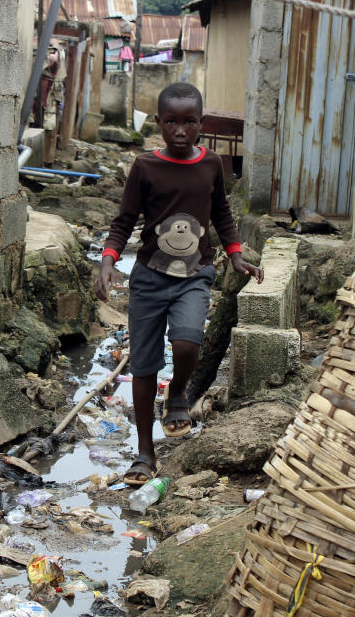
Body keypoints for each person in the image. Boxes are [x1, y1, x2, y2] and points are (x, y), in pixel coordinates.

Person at [95, 82, 264, 485]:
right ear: (159, 123)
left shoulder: (211, 166)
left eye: (189, 122)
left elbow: (221, 212)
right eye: (171, 122)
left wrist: (237, 255)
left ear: (201, 124)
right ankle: (144, 452)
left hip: (195, 274)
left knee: (188, 342)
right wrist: (107, 260)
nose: (181, 130)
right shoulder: (145, 167)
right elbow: (124, 221)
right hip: (150, 278)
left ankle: (178, 395)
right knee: (144, 366)